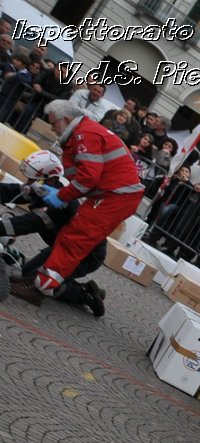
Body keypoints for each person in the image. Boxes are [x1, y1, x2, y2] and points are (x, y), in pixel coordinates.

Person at [29, 100, 143, 300]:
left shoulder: (84, 135)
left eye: (53, 122)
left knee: (76, 237)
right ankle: (48, 280)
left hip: (114, 196)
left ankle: (44, 284)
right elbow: (83, 176)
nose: (52, 127)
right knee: (75, 236)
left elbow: (88, 177)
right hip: (113, 195)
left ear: (66, 119)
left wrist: (61, 196)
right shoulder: (81, 134)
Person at [0, 150, 108, 317]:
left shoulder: (60, 202)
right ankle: (69, 282)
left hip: (85, 255)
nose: (28, 182)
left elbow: (28, 224)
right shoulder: (45, 189)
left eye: (32, 179)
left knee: (37, 278)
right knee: (28, 270)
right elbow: (13, 191)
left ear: (48, 178)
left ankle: (84, 294)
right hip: (64, 247)